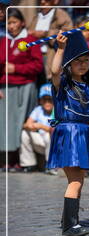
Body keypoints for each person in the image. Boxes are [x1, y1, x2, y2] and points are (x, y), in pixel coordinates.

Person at [47, 30, 89, 236]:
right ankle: (70, 226)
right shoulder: (63, 85)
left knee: (79, 180)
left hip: (81, 134)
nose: (83, 64)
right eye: (77, 60)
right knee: (76, 181)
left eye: (86, 60)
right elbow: (54, 71)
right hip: (69, 134)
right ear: (69, 64)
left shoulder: (88, 86)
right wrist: (60, 49)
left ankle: (68, 220)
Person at [0, 8, 43, 171]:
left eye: (14, 22)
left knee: (21, 124)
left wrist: (15, 68)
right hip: (5, 88)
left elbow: (38, 66)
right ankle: (6, 161)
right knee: (6, 125)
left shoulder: (30, 40)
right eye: (8, 23)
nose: (11, 26)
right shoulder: (2, 41)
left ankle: (21, 161)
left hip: (25, 86)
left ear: (22, 23)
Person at [28, 0, 73, 80]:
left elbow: (67, 34)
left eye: (46, 0)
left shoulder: (61, 15)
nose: (42, 2)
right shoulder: (36, 16)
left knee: (50, 84)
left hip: (51, 57)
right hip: (35, 58)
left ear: (55, 1)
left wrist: (45, 33)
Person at [19, 83, 57, 174]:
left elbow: (55, 130)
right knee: (24, 133)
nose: (47, 102)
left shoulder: (57, 111)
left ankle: (50, 165)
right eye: (44, 99)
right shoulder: (38, 109)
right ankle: (29, 164)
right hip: (40, 141)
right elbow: (26, 124)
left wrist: (40, 126)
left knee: (49, 135)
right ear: (40, 101)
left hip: (54, 145)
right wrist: (30, 126)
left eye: (50, 99)